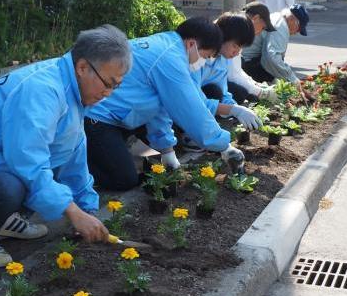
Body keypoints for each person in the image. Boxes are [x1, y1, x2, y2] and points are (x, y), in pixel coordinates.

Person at [0, 25, 132, 267]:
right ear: (82, 67)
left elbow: (72, 153)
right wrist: (73, 213)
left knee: (52, 162)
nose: (108, 93)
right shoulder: (42, 90)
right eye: (107, 84)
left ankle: (6, 220)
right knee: (10, 187)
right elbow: (27, 162)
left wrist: (87, 208)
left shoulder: (73, 91)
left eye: (116, 86)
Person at [84, 16, 250, 191]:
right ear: (191, 44)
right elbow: (192, 111)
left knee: (127, 169)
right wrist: (225, 146)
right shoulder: (170, 59)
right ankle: (75, 168)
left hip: (116, 115)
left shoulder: (169, 47)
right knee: (124, 180)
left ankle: (95, 154)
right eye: (206, 56)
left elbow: (159, 106)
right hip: (97, 117)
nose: (204, 62)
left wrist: (167, 150)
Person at [241, 4, 309, 87]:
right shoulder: (282, 26)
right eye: (299, 29)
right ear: (291, 19)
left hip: (246, 60)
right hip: (250, 64)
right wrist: (293, 80)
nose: (296, 33)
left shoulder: (277, 16)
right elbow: (272, 58)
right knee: (282, 88)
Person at [227, 2, 280, 104]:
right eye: (263, 27)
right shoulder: (236, 29)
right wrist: (260, 92)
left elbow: (237, 70)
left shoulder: (240, 29)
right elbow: (232, 74)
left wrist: (256, 85)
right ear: (255, 18)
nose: (260, 32)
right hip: (208, 84)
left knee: (248, 93)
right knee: (240, 93)